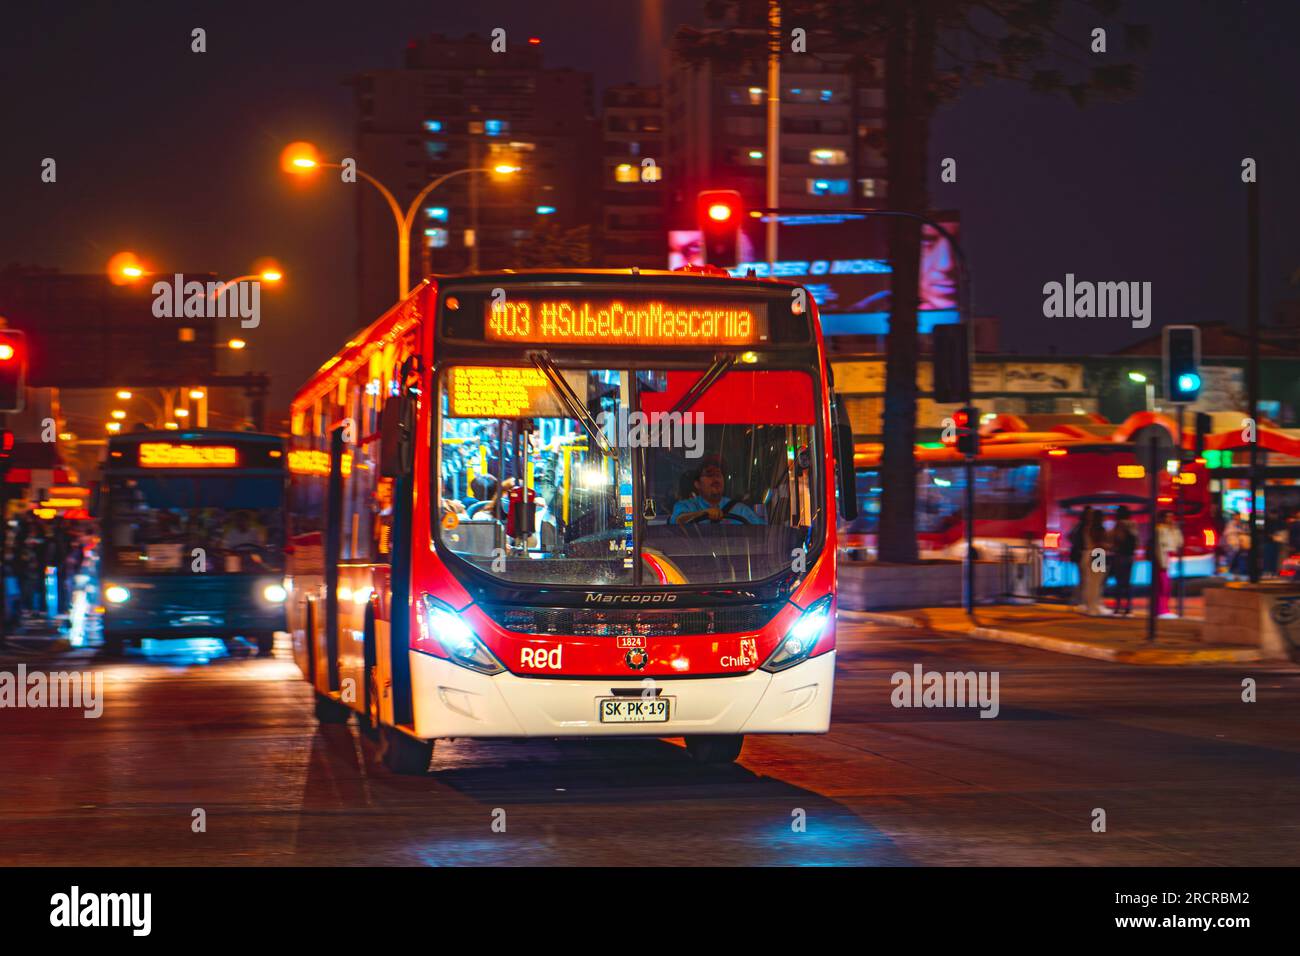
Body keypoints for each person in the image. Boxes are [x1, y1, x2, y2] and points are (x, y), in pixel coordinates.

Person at [671, 455, 764, 526]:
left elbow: (763, 533)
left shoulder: (740, 510)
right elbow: (677, 521)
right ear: (697, 484)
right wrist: (704, 513)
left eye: (718, 474)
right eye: (710, 474)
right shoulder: (686, 506)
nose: (715, 479)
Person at [1079, 508, 1110, 615]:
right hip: (1098, 554)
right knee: (1096, 583)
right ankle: (1094, 607)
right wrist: (1108, 546)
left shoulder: (1088, 527)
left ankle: (1090, 606)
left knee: (1090, 583)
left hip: (1088, 553)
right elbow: (1100, 544)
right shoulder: (1100, 529)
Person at [1109, 505, 1138, 616]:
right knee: (1128, 582)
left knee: (1119, 583)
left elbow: (1117, 539)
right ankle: (1128, 608)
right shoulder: (1133, 524)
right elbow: (1136, 541)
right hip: (1130, 556)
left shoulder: (1119, 524)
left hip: (1120, 556)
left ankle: (1117, 607)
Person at [1155, 510, 1184, 618]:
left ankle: (1164, 609)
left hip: (1168, 560)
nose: (1170, 519)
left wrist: (1175, 530)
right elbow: (1159, 547)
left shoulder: (1170, 529)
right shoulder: (1159, 530)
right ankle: (1161, 610)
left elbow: (1179, 543)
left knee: (1167, 586)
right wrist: (1161, 562)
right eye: (1168, 517)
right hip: (1162, 561)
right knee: (1163, 586)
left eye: (1171, 517)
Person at [1067, 506, 1093, 610]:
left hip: (1089, 553)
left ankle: (1083, 601)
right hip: (1092, 553)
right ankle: (1084, 601)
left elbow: (1070, 536)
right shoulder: (1086, 526)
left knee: (1087, 579)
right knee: (1088, 579)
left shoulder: (1080, 525)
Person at [1223, 512, 1250, 580]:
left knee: (1239, 557)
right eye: (1237, 516)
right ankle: (1230, 571)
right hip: (1232, 544)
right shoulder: (1231, 524)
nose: (1238, 517)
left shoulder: (1241, 524)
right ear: (1234, 516)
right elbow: (1227, 533)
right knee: (1232, 558)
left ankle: (1238, 572)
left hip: (1238, 545)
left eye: (1239, 516)